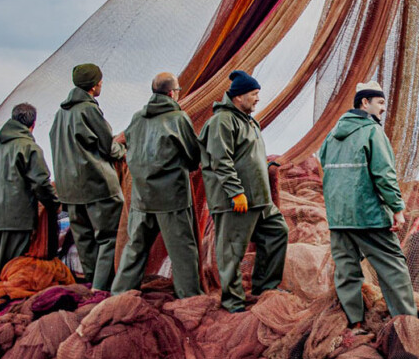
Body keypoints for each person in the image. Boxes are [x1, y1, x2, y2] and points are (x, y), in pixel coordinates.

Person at [319, 81, 416, 331]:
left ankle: (356, 324)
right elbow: (384, 174)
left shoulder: (332, 135)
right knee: (393, 268)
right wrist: (397, 208)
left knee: (347, 272)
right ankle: (407, 326)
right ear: (365, 103)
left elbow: (325, 166)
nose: (383, 108)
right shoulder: (372, 132)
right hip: (368, 216)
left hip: (338, 218)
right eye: (380, 102)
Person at [199, 70, 288, 312]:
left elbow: (247, 157)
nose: (258, 98)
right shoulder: (221, 122)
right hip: (237, 200)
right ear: (238, 96)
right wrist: (235, 192)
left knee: (277, 231)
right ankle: (233, 301)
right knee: (232, 251)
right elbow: (221, 160)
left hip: (259, 199)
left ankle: (264, 286)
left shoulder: (250, 121)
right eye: (254, 94)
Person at [112, 72, 203, 299]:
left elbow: (129, 147)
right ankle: (189, 298)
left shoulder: (137, 118)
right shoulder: (178, 118)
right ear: (173, 93)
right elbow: (193, 156)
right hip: (171, 198)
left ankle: (120, 295)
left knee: (135, 250)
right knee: (182, 251)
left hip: (142, 197)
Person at [50, 63, 126, 291]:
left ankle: (93, 283)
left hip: (70, 191)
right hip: (97, 185)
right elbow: (106, 146)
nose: (101, 84)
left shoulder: (59, 115)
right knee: (108, 237)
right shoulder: (89, 110)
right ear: (93, 85)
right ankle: (101, 289)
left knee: (84, 241)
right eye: (100, 81)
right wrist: (122, 150)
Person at [0, 103, 59, 284]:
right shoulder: (29, 148)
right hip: (15, 222)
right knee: (13, 278)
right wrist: (55, 204)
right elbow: (41, 184)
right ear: (33, 125)